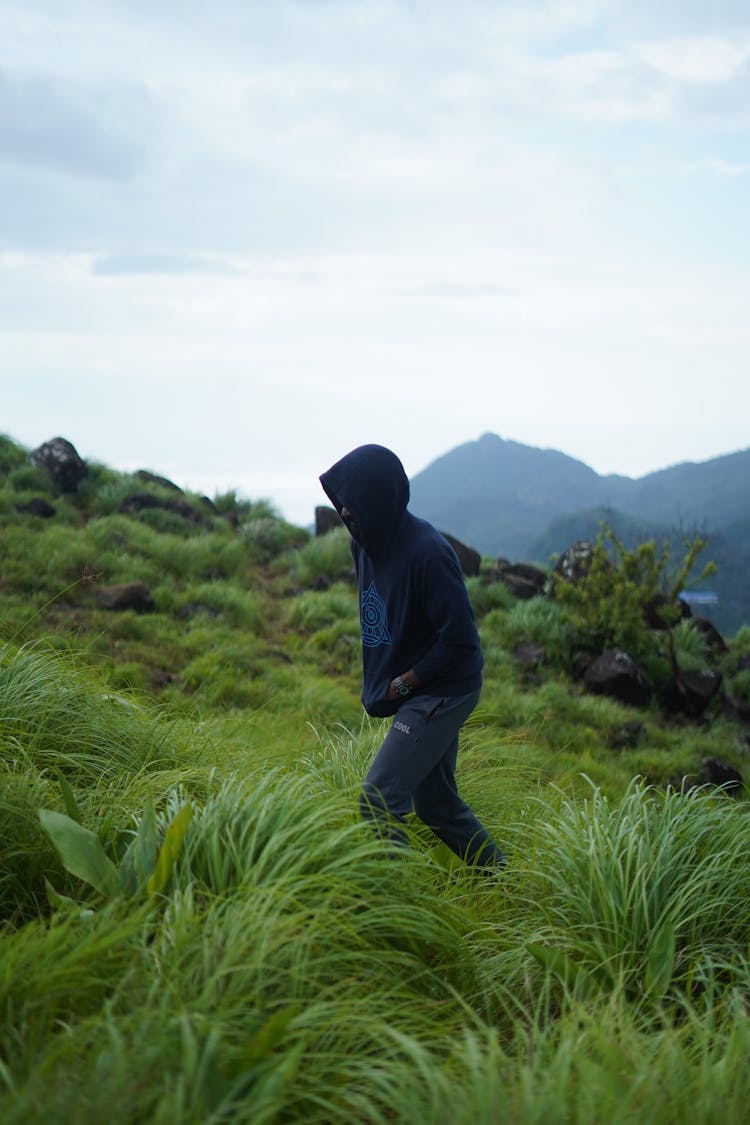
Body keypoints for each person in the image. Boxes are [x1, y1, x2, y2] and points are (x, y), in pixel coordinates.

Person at [319, 443, 505, 872]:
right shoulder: (365, 542)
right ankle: (502, 878)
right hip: (417, 684)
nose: (345, 512)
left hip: (444, 688)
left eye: (354, 502)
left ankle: (399, 905)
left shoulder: (429, 553)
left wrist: (403, 684)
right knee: (436, 805)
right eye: (342, 502)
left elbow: (460, 642)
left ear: (380, 500)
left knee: (378, 798)